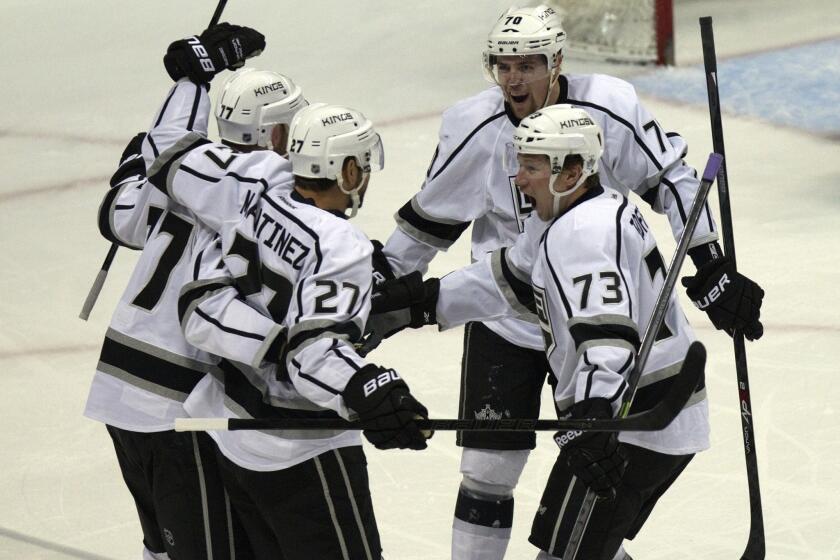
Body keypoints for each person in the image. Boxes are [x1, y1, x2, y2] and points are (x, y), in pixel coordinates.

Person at [373, 5, 762, 558]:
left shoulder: (579, 230)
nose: (512, 78)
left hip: (632, 390)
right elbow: (499, 271)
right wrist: (403, 298)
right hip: (549, 341)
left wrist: (710, 261)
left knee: (574, 545)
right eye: (502, 65)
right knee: (515, 495)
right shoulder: (549, 223)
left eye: (526, 65)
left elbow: (606, 336)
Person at [144, 51, 432, 556]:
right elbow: (312, 355)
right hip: (304, 446)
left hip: (234, 438)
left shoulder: (257, 199)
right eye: (361, 164)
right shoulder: (343, 246)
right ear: (346, 170)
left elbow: (200, 304)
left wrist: (285, 342)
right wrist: (362, 385)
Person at [83, 23, 300, 560]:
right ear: (273, 134)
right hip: (178, 402)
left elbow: (118, 216)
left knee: (162, 549)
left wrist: (192, 82)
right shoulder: (265, 185)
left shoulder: (182, 171)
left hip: (118, 389)